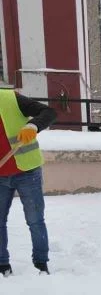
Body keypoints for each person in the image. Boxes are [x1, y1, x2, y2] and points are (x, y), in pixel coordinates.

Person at [0, 90, 58, 277]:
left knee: (35, 220)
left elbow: (49, 112)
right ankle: (2, 266)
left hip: (27, 172)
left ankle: (41, 265)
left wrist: (33, 125)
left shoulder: (10, 98)